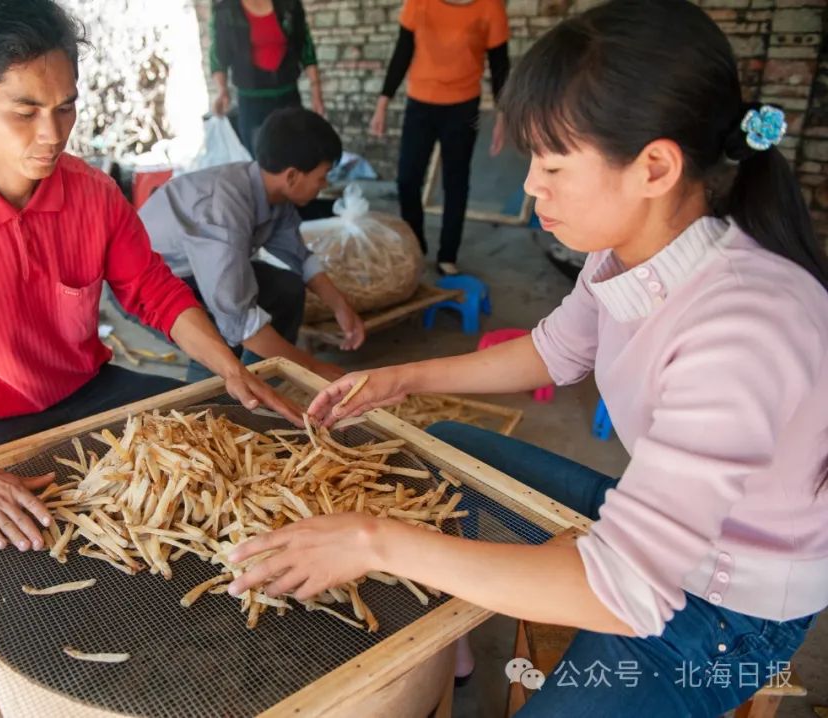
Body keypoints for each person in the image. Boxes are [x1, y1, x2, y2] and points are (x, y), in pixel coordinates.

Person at [228, 1, 828, 714]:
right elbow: (557, 351)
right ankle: (445, 642)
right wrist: (402, 377)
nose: (530, 187)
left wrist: (374, 541)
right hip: (663, 535)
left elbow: (628, 588)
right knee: (443, 449)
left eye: (553, 162)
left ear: (655, 166)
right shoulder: (626, 249)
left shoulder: (743, 326)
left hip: (725, 612)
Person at [0, 0, 299, 555]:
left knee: (224, 449)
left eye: (65, 108)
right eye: (25, 112)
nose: (53, 134)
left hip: (95, 390)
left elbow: (154, 291)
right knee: (14, 546)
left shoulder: (92, 193)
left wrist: (228, 367)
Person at [140, 107, 364, 383]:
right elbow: (238, 320)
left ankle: (267, 385)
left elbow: (299, 256)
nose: (324, 184)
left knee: (287, 289)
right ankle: (207, 409)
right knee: (220, 339)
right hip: (151, 284)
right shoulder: (222, 213)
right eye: (322, 176)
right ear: (292, 175)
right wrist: (313, 368)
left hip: (201, 270)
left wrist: (341, 306)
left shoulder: (273, 193)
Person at [370, 0, 510, 276]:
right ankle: (416, 244)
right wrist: (383, 102)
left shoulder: (489, 8)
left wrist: (502, 117)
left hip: (463, 107)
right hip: (419, 105)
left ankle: (448, 254)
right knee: (407, 179)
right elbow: (403, 51)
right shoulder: (418, 3)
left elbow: (500, 66)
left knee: (455, 184)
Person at [210, 0, 325, 155]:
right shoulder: (227, 10)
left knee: (295, 155)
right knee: (261, 160)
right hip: (252, 103)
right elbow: (218, 55)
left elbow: (305, 45)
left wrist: (316, 90)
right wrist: (222, 90)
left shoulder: (289, 5)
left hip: (288, 98)